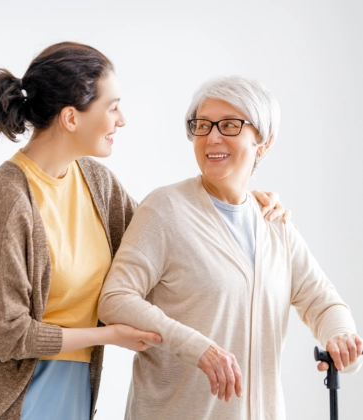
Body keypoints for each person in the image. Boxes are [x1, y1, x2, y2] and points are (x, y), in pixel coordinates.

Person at [0, 43, 290, 420]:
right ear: (71, 118)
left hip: (73, 389)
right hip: (6, 400)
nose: (121, 119)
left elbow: (170, 237)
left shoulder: (96, 182)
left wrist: (241, 204)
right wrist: (106, 336)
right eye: (112, 107)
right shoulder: (7, 198)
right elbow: (5, 335)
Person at [98, 75, 363, 420]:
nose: (212, 137)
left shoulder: (275, 225)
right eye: (203, 125)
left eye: (229, 125)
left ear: (263, 142)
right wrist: (198, 347)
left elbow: (323, 302)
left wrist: (341, 337)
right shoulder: (165, 210)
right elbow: (115, 300)